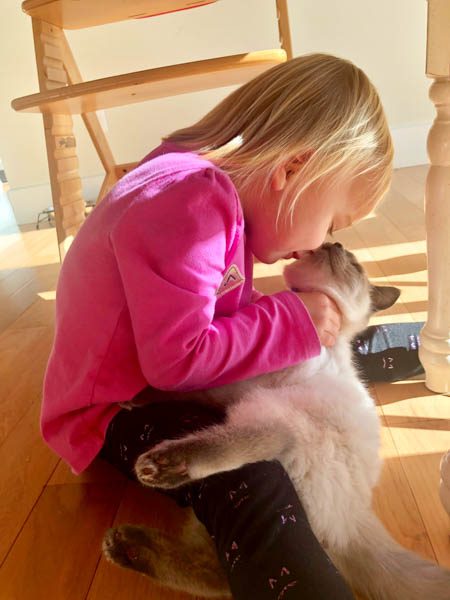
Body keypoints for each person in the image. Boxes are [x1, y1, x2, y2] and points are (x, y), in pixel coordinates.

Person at [41, 53, 423, 599]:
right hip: (115, 410)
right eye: (333, 223)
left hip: (169, 381)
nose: (321, 242)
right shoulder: (189, 202)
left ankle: (403, 343)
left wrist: (297, 328)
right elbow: (179, 360)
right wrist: (293, 319)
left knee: (308, 364)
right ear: (293, 169)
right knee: (251, 470)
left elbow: (218, 318)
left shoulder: (205, 192)